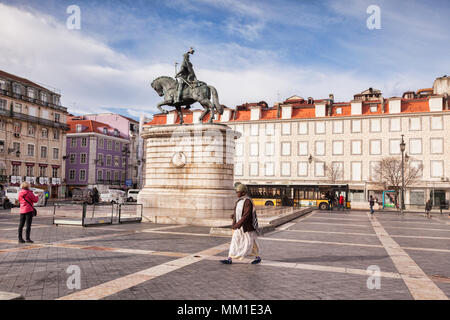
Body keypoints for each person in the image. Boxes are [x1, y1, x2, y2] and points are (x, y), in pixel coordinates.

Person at [221, 184, 261, 265]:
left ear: (243, 193)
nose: (236, 193)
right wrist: (234, 216)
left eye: (238, 192)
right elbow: (239, 212)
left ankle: (258, 257)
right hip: (239, 227)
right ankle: (229, 258)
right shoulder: (240, 201)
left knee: (252, 243)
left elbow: (246, 215)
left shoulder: (248, 201)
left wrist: (237, 225)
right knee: (235, 241)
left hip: (246, 227)